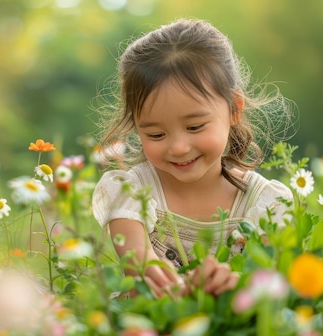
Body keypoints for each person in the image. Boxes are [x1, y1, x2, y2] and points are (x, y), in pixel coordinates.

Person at [92, 18, 295, 298]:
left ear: (234, 108)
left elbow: (274, 286)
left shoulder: (265, 203)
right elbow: (138, 260)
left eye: (194, 127)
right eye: (156, 134)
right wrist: (148, 267)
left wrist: (237, 285)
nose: (178, 147)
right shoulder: (131, 192)